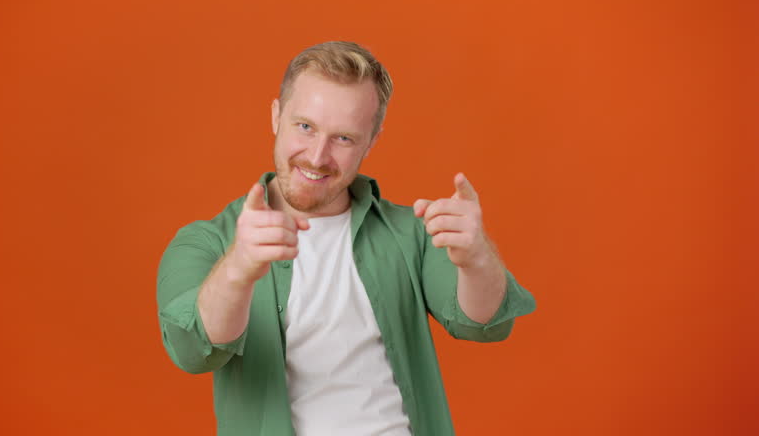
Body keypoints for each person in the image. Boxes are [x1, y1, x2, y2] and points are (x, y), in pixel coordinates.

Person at [156, 41, 536, 435]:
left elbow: (484, 324)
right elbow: (193, 351)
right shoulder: (205, 243)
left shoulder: (412, 233)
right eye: (305, 127)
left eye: (343, 139)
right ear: (275, 116)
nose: (317, 157)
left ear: (371, 141)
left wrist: (476, 256)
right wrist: (238, 269)